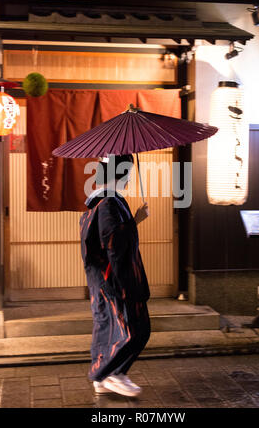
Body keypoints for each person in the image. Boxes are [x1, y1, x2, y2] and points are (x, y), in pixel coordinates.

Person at [80, 154, 150, 397]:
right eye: (128, 171)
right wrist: (135, 221)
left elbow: (108, 238)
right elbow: (113, 242)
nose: (130, 177)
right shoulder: (108, 202)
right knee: (133, 328)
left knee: (106, 326)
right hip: (113, 279)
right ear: (119, 173)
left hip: (101, 279)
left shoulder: (97, 201)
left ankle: (102, 374)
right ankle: (112, 373)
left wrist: (131, 222)